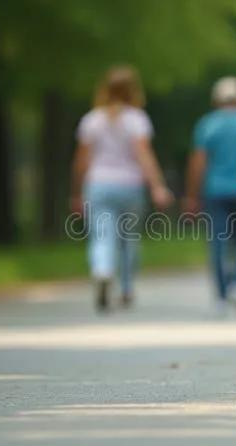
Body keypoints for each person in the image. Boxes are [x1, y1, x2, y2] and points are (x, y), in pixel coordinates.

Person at [70, 65, 173, 312]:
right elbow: (144, 155)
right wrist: (157, 186)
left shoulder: (91, 120)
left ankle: (102, 270)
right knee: (129, 238)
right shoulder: (136, 120)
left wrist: (75, 192)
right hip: (129, 186)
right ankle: (126, 288)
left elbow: (81, 161)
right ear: (133, 91)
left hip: (98, 184)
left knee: (102, 235)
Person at [184, 76, 236, 317]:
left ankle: (222, 296)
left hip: (215, 191)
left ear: (216, 99)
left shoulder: (207, 124)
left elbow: (198, 162)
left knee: (218, 242)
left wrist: (191, 196)